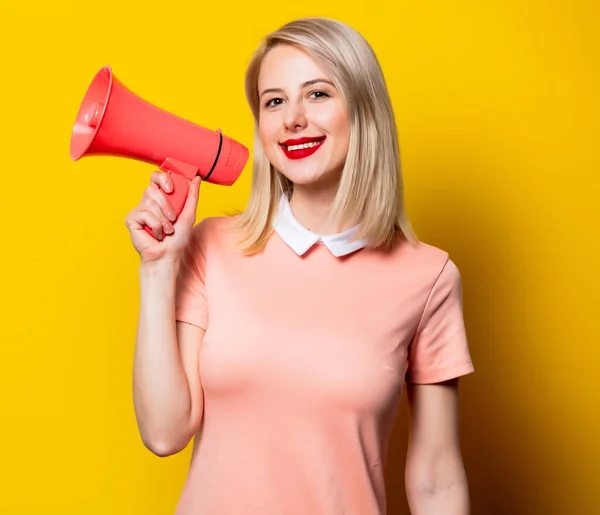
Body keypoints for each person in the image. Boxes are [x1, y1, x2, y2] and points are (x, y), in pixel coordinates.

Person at [124, 17, 475, 515]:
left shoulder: (429, 277)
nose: (292, 119)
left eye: (317, 94)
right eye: (274, 101)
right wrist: (158, 268)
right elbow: (164, 432)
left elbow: (437, 478)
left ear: (363, 108)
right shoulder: (213, 246)